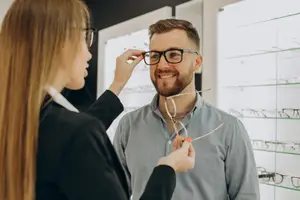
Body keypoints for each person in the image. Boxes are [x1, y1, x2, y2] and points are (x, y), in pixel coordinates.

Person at [0, 1, 195, 200]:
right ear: (61, 41)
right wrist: (168, 168)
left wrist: (117, 83)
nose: (88, 52)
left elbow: (68, 139)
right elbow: (76, 137)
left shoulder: (22, 120)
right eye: (85, 37)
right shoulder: (76, 133)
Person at [113, 19, 260, 200]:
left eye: (174, 55)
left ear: (197, 63)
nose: (162, 65)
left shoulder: (229, 129)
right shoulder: (128, 126)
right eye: (155, 55)